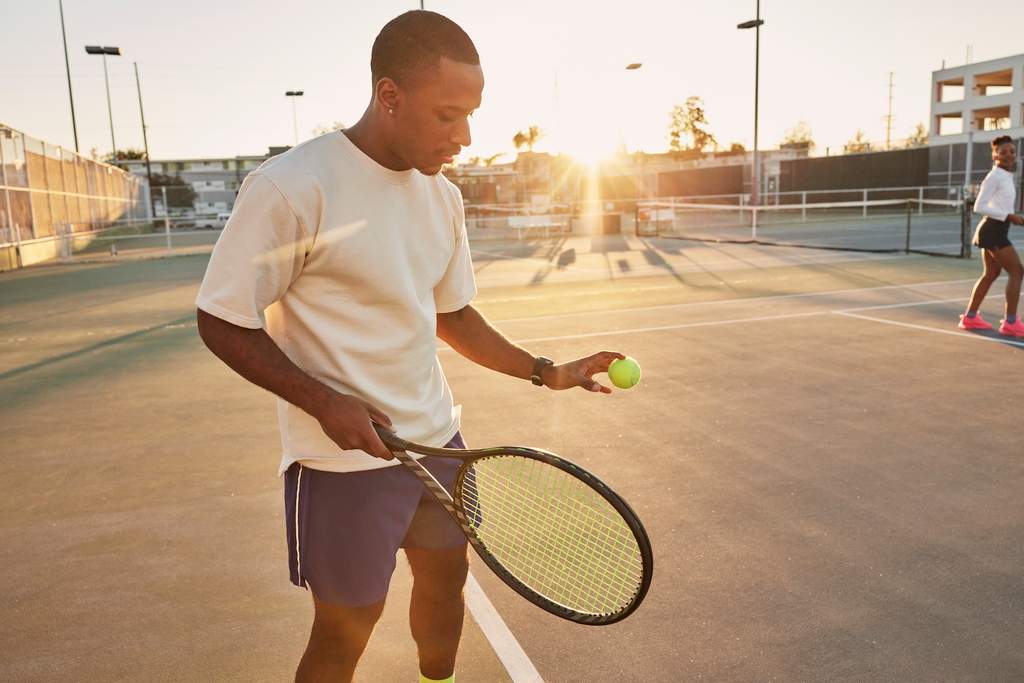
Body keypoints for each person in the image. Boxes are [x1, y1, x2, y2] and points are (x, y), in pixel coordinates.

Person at [194, 10, 625, 683]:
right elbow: (221, 318)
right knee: (345, 630)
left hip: (441, 444)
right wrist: (324, 402)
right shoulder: (293, 185)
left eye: (471, 115)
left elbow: (453, 315)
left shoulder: (443, 197)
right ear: (389, 95)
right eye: (447, 115)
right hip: (341, 464)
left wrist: (547, 371)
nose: (465, 136)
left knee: (446, 588)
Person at [959, 135, 1024, 336]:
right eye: (1003, 152)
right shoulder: (994, 176)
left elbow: (1000, 205)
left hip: (996, 230)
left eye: (1012, 151)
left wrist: (1012, 217)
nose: (1009, 155)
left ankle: (970, 318)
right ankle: (1011, 323)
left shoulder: (1006, 176)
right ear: (995, 155)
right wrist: (1009, 216)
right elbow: (979, 206)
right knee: (1017, 271)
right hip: (993, 231)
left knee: (991, 274)